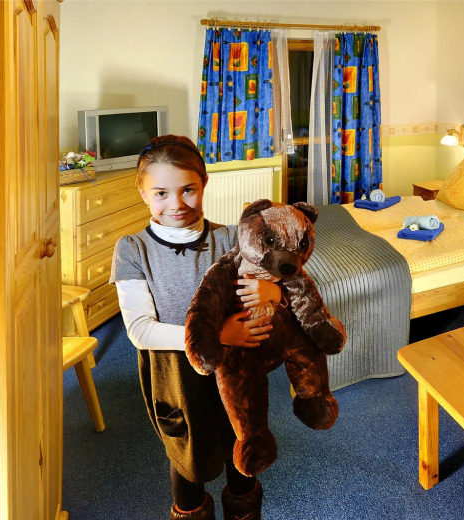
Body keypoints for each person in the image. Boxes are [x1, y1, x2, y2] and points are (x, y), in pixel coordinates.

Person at [110, 134, 278, 520]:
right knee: (187, 458)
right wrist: (216, 336)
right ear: (143, 193)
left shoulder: (232, 238)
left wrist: (272, 292)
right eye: (161, 193)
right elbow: (140, 330)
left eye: (188, 189)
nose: (176, 204)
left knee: (241, 448)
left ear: (204, 183)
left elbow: (277, 289)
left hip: (235, 371)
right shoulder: (132, 249)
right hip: (176, 375)